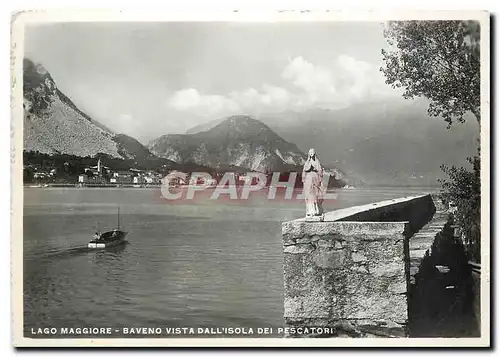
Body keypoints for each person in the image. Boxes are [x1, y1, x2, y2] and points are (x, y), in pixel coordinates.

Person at [302, 148, 325, 217]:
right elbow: (304, 171)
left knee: (315, 195)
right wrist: (304, 179)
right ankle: (310, 211)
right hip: (308, 181)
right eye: (310, 152)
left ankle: (316, 211)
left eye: (312, 152)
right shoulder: (307, 162)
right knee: (309, 195)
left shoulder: (317, 162)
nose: (311, 153)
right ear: (309, 154)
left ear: (314, 153)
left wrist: (319, 175)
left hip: (315, 180)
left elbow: (320, 170)